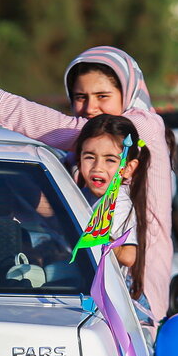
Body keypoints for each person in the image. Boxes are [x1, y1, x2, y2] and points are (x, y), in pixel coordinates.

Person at [0, 46, 173, 317]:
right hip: (89, 298)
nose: (90, 108)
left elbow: (79, 133)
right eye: (80, 97)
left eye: (102, 96)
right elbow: (63, 219)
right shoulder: (80, 159)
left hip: (137, 299)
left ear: (128, 92)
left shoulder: (144, 127)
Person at [74, 114, 151, 302]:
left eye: (110, 160)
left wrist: (96, 235)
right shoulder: (85, 195)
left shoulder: (120, 202)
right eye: (90, 157)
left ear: (127, 168)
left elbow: (129, 256)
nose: (97, 168)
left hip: (111, 295)